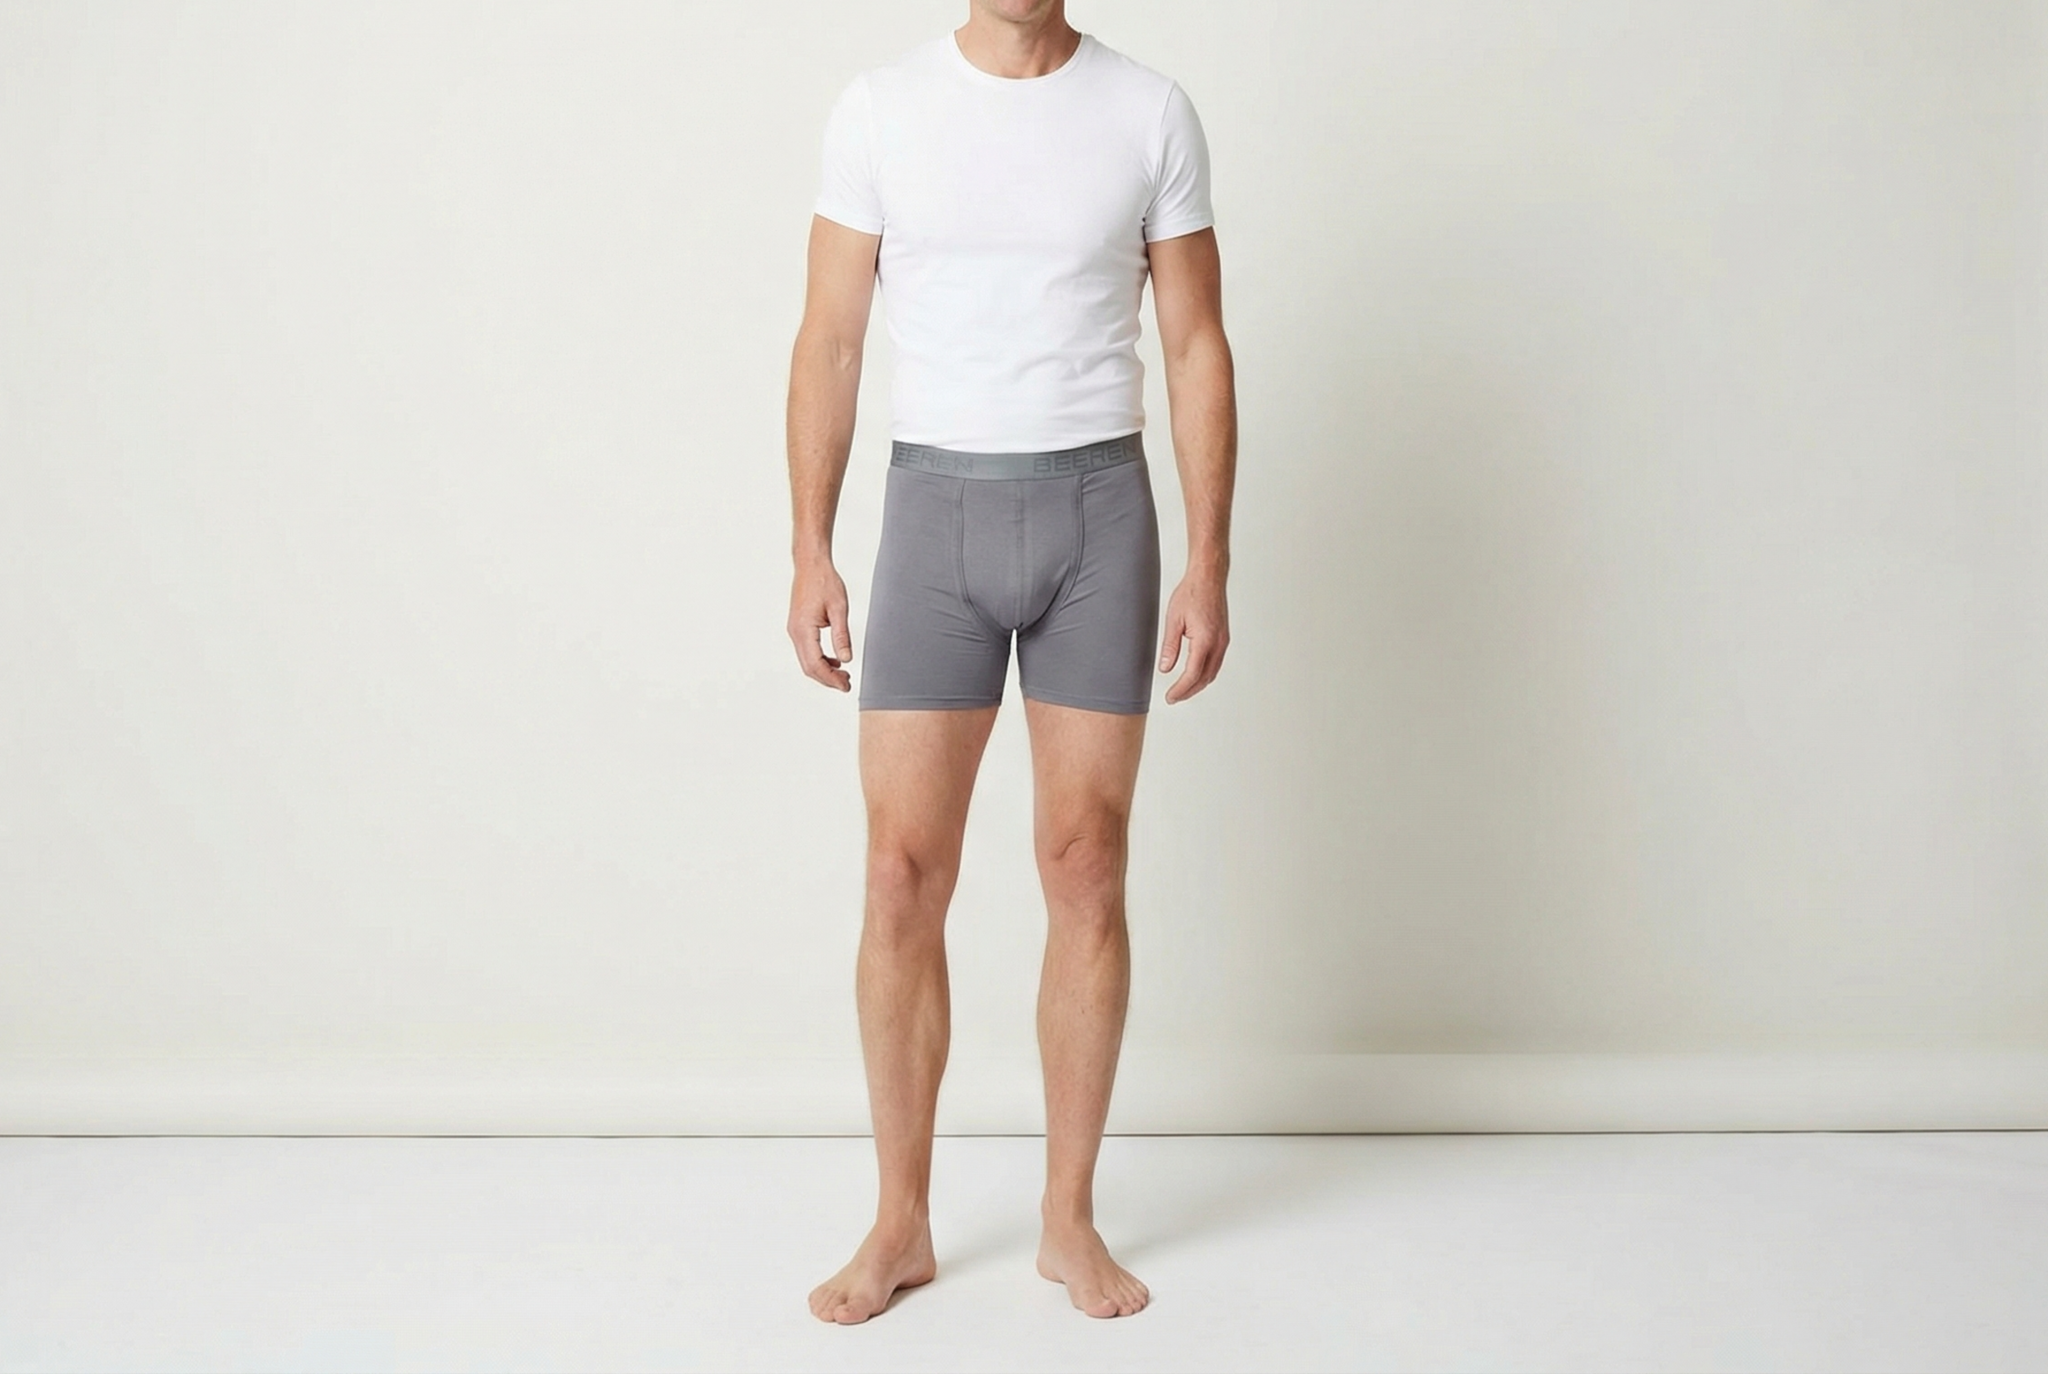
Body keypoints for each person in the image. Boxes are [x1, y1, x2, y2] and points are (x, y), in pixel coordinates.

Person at [785, 0, 1235, 1324]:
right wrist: (810, 547)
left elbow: (1195, 342)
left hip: (1100, 511)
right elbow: (830, 337)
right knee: (899, 871)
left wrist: (1210, 558)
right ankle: (900, 1222)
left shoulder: (1150, 112)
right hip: (934, 511)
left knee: (1086, 864)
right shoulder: (880, 109)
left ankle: (1067, 1219)